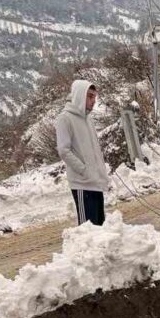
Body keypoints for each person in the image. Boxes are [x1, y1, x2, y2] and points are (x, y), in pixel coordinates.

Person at [54, 80, 110, 226]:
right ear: (79, 95)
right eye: (90, 96)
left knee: (100, 228)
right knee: (88, 231)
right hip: (82, 184)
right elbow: (63, 150)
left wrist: (99, 173)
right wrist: (83, 170)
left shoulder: (88, 119)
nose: (93, 101)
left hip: (95, 182)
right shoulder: (65, 118)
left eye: (95, 97)